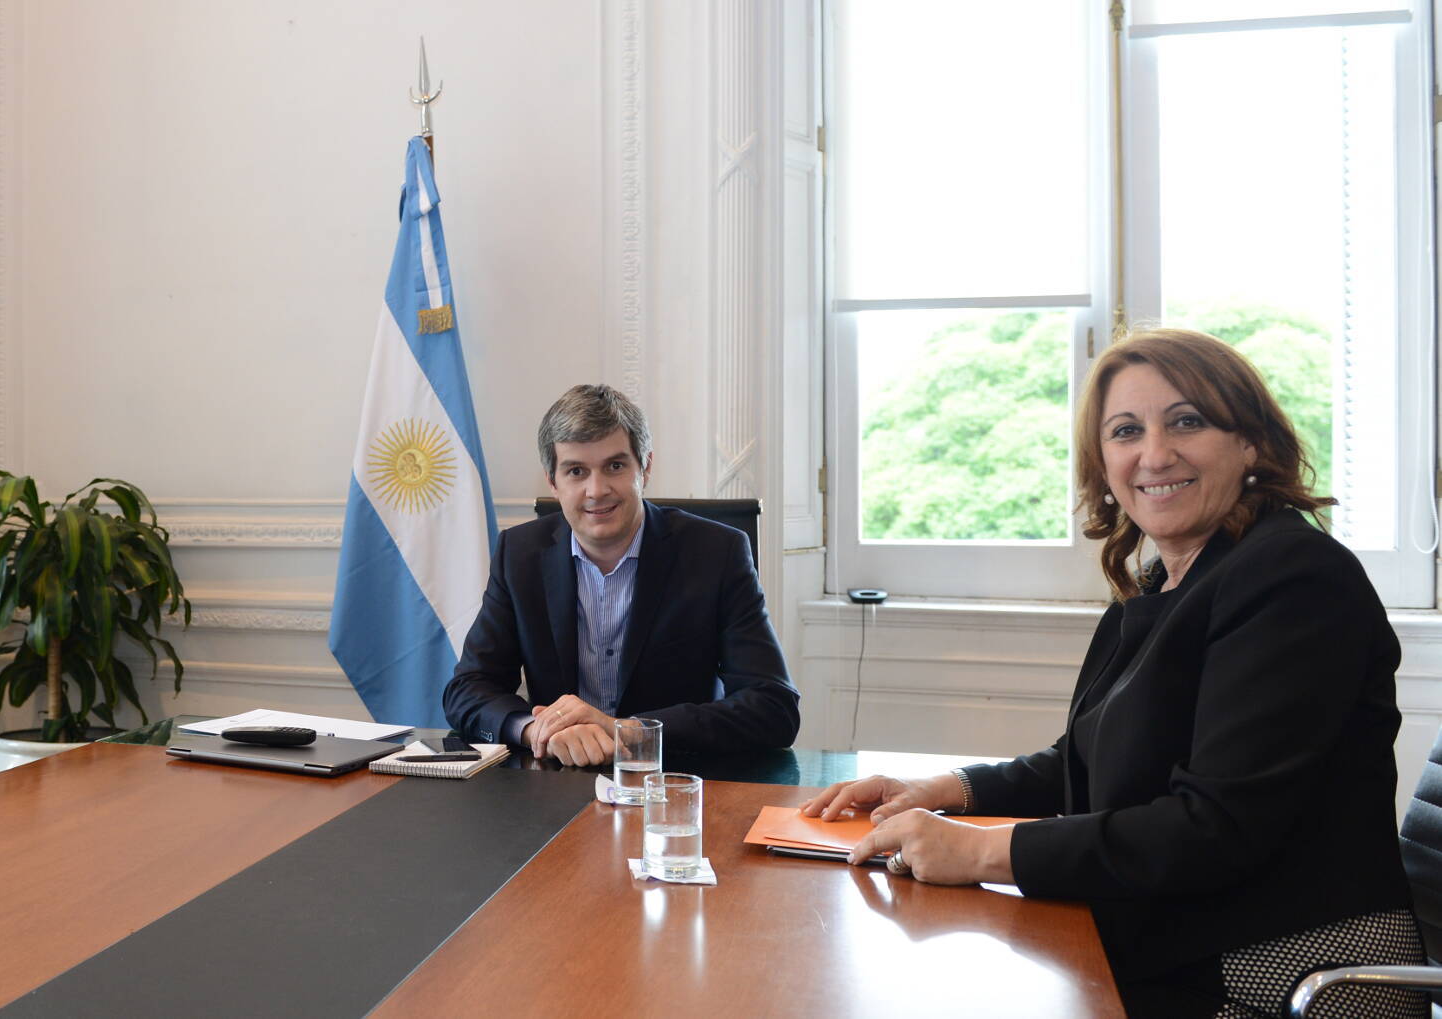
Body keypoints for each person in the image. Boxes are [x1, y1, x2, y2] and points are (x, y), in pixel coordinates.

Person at [799, 329, 1422, 1017]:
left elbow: (1212, 827)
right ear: (1104, 461)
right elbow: (1087, 761)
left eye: (1187, 420)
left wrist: (978, 851)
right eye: (1126, 430)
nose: (1154, 453)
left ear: (1251, 442)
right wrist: (951, 789)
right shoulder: (1167, 580)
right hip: (1180, 940)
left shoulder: (1295, 577)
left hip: (1284, 975)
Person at [442, 384, 799, 766]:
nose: (596, 490)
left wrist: (624, 730)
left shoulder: (717, 554)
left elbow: (773, 707)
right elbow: (467, 689)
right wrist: (536, 729)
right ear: (552, 481)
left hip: (673, 783)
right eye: (576, 471)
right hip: (558, 782)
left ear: (645, 467)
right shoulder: (520, 554)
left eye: (615, 466)